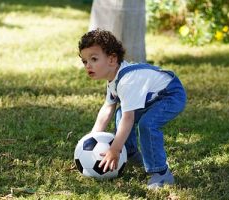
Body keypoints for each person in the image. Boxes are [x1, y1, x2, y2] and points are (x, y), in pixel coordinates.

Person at [78, 29, 187, 189]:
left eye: (94, 59)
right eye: (85, 61)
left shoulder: (127, 81)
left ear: (112, 59)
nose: (88, 65)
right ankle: (130, 154)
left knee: (147, 124)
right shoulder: (113, 79)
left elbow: (129, 119)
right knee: (120, 113)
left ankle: (161, 173)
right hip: (154, 97)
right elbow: (107, 110)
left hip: (170, 94)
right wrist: (90, 140)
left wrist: (114, 149)